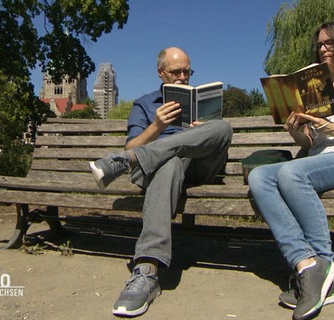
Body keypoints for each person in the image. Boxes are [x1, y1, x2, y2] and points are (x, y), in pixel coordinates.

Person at [248, 21, 334, 320]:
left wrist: (330, 125)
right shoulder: (313, 86)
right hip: (317, 159)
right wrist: (295, 129)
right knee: (259, 176)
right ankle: (306, 264)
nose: (323, 49)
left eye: (330, 43)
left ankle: (324, 264)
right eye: (320, 44)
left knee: (291, 173)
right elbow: (310, 143)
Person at [89, 47, 233, 317]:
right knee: (170, 162)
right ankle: (146, 270)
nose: (182, 77)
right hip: (157, 171)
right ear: (160, 73)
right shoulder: (144, 104)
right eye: (175, 72)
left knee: (223, 128)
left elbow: (219, 138)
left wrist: (201, 132)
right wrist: (156, 126)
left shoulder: (200, 101)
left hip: (199, 168)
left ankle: (123, 161)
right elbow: (132, 142)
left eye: (187, 71)